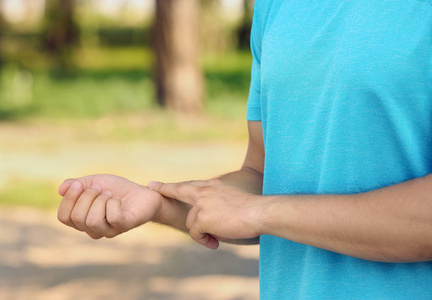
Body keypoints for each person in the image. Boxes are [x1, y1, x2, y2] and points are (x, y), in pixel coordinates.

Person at [58, 0, 432, 299]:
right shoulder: (275, 6)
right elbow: (261, 176)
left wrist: (263, 212)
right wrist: (162, 203)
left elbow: (264, 208)